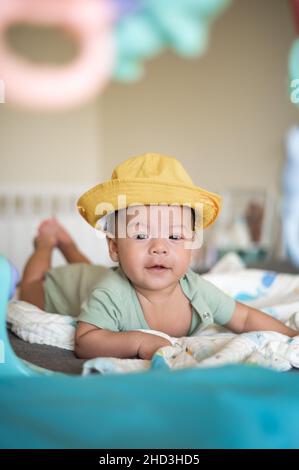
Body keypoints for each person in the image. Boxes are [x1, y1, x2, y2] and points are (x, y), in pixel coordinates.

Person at [19, 153, 298, 360]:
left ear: (193, 247)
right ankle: (46, 243)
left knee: (91, 271)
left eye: (175, 236)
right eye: (141, 235)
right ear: (114, 247)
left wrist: (292, 338)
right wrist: (138, 342)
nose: (159, 247)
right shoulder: (110, 293)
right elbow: (86, 341)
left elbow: (245, 318)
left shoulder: (196, 290)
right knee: (31, 283)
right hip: (61, 287)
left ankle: (67, 243)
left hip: (91, 276)